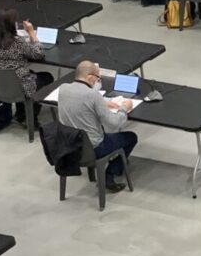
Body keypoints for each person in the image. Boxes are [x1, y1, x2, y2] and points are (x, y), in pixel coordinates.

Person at [57, 60, 140, 192]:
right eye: (98, 78)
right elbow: (113, 124)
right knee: (131, 137)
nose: (98, 81)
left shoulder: (63, 89)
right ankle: (110, 174)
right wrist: (124, 108)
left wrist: (102, 103)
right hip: (94, 147)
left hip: (69, 145)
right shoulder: (93, 95)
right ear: (90, 78)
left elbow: (79, 103)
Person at [0, 9, 56, 104]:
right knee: (47, 77)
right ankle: (30, 111)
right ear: (11, 25)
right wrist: (31, 33)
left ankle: (21, 111)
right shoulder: (17, 42)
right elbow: (38, 54)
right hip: (19, 86)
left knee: (29, 73)